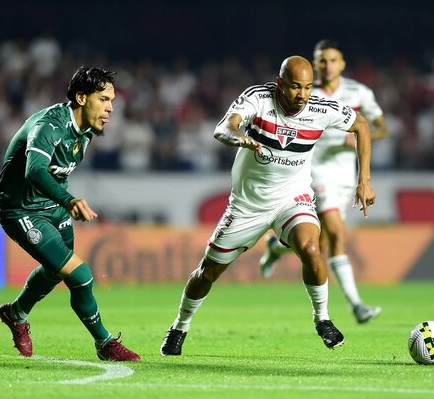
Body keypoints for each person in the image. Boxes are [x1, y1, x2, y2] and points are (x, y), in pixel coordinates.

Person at [160, 55, 375, 356]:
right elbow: (222, 128)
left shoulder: (319, 109)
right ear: (279, 84)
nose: (302, 95)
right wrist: (239, 138)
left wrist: (363, 179)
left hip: (293, 196)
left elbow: (362, 126)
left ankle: (322, 319)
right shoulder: (257, 99)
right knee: (207, 272)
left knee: (311, 249)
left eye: (308, 87)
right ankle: (179, 327)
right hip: (249, 205)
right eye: (295, 87)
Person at [0, 67, 140, 362]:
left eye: (112, 100)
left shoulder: (86, 129)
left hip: (53, 206)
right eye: (104, 99)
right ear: (81, 98)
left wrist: (62, 201)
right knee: (81, 275)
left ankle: (16, 314)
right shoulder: (48, 126)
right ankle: (105, 343)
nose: (111, 107)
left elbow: (57, 169)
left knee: (56, 270)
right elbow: (34, 170)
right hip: (21, 208)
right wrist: (69, 200)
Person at [259, 39, 389, 324]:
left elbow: (380, 127)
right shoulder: (304, 92)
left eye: (333, 60)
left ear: (342, 64)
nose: (327, 65)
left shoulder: (359, 92)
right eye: (321, 60)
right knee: (336, 232)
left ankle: (276, 247)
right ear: (314, 64)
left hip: (344, 176)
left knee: (320, 241)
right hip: (312, 173)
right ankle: (357, 306)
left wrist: (353, 137)